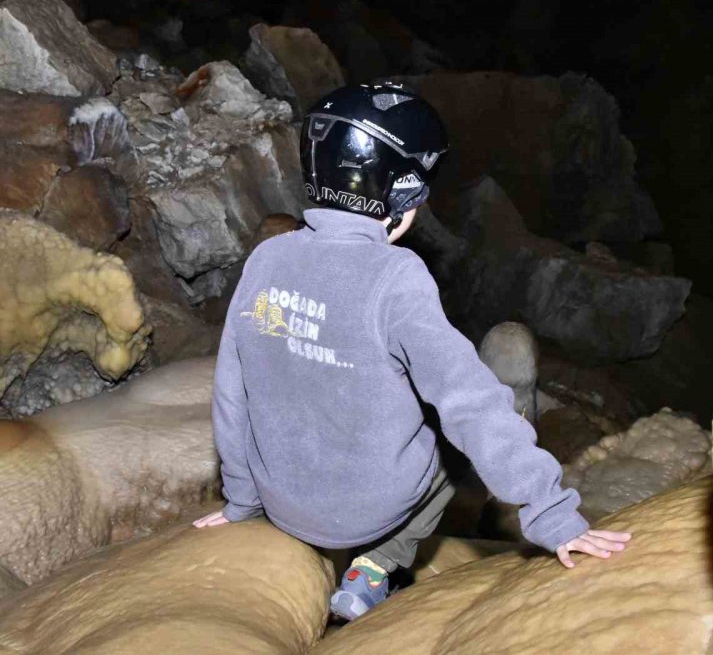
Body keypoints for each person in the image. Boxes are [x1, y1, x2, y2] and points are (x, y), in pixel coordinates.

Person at [193, 83, 631, 621]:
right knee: (458, 434)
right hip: (366, 513)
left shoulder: (268, 259)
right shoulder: (397, 276)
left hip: (282, 503)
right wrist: (551, 513)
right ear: (401, 194)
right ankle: (378, 565)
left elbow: (232, 392)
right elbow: (468, 403)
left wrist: (242, 500)